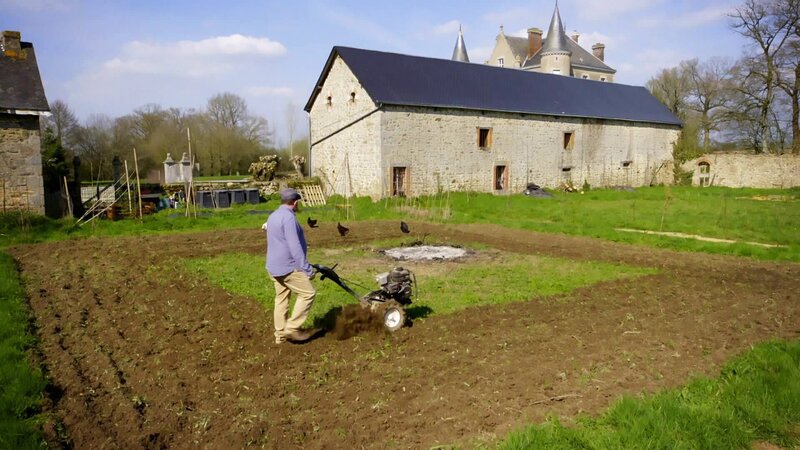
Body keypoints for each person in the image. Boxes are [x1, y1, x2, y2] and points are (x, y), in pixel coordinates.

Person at [265, 188, 317, 344]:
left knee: (281, 299)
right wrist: (307, 269)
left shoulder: (273, 216)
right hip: (287, 267)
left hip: (273, 266)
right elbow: (295, 247)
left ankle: (280, 336)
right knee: (308, 293)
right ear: (295, 203)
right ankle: (292, 328)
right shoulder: (289, 219)